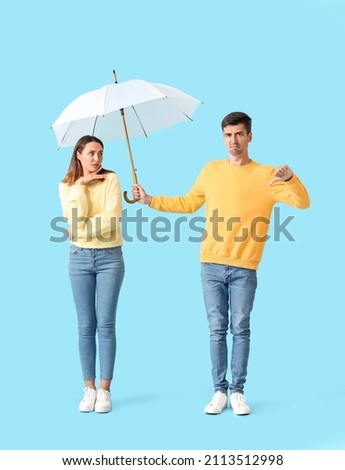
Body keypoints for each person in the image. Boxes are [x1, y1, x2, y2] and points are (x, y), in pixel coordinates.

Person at [132, 112, 310, 416]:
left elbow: (302, 202)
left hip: (244, 266)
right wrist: (150, 200)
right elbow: (188, 203)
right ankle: (219, 391)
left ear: (250, 136)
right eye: (228, 135)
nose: (233, 141)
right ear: (223, 137)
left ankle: (238, 391)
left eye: (239, 134)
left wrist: (291, 178)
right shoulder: (211, 170)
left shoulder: (267, 175)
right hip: (210, 264)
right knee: (216, 329)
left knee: (240, 328)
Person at [59, 135, 124, 413]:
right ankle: (89, 389)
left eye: (100, 153)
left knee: (106, 324)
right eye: (91, 154)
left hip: (110, 257)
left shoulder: (112, 180)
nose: (97, 159)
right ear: (79, 155)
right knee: (85, 325)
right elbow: (73, 218)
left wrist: (80, 229)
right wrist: (82, 186)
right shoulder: (66, 186)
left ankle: (105, 390)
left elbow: (112, 221)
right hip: (79, 259)